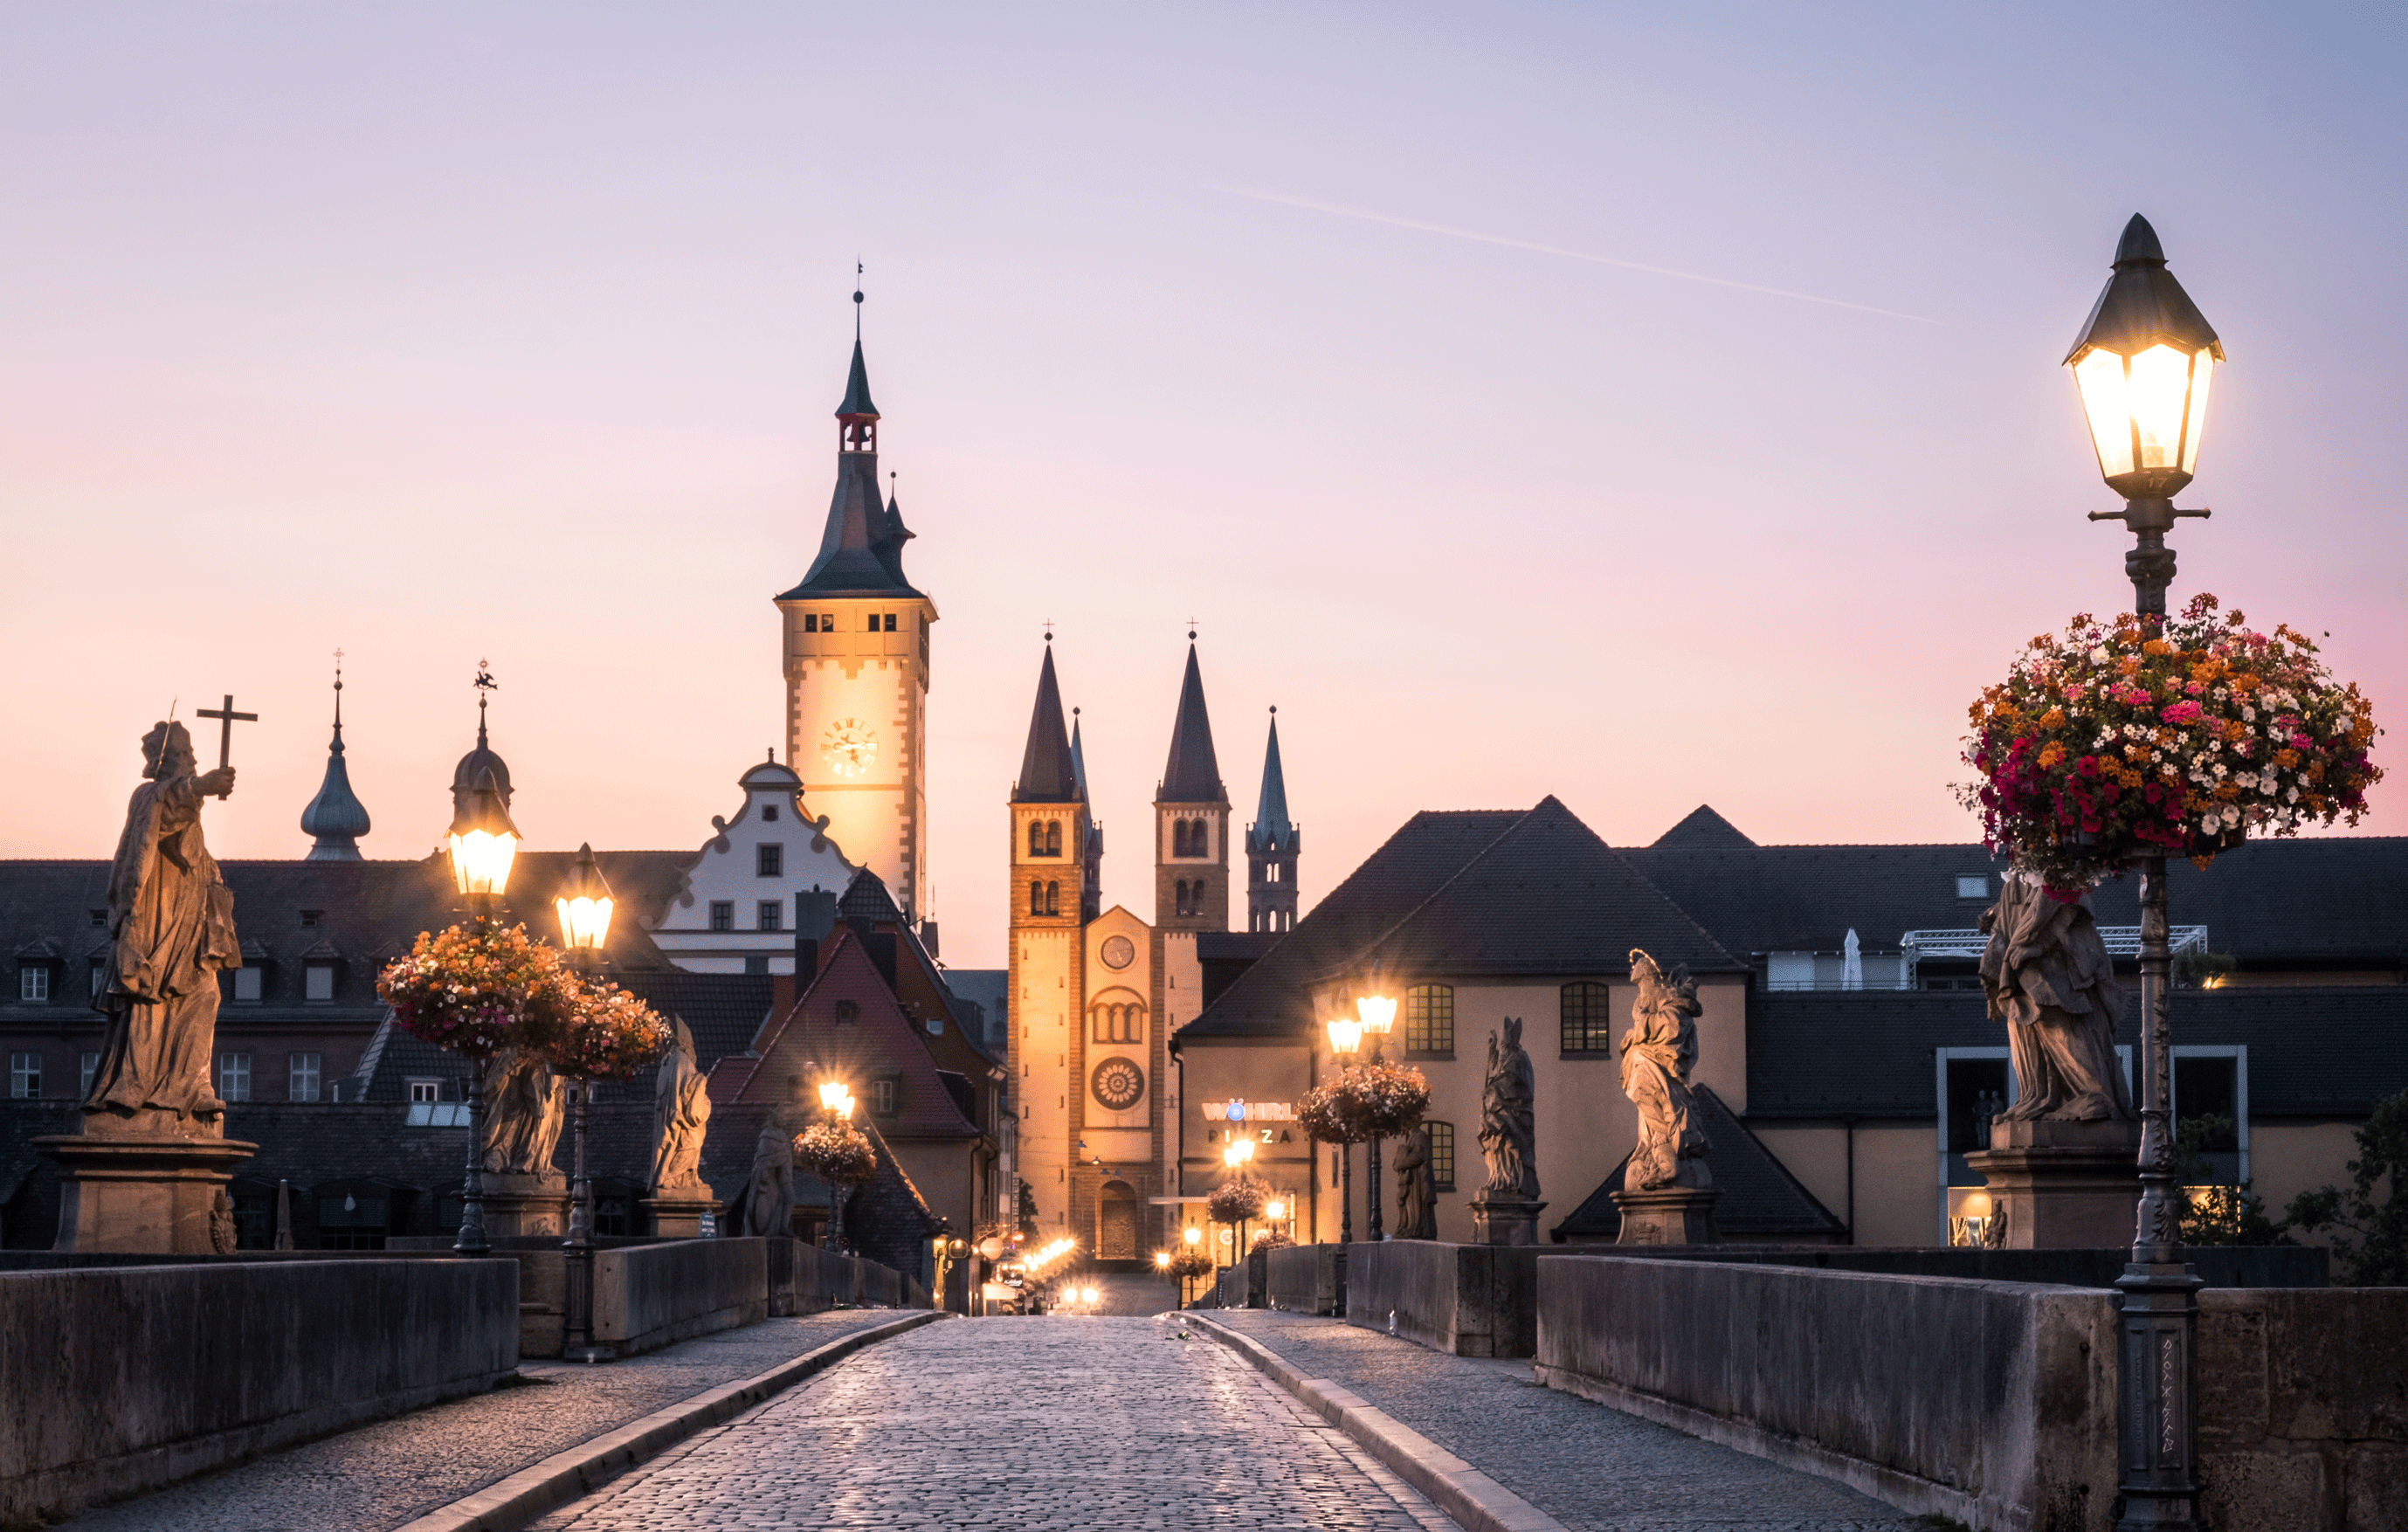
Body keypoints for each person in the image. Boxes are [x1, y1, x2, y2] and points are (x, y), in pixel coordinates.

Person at [85, 721, 239, 1130]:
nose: (193, 761)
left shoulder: (175, 799)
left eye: (192, 756)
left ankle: (191, 1087)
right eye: (186, 756)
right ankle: (133, 1088)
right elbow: (166, 808)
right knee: (149, 997)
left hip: (189, 917)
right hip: (156, 915)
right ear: (166, 762)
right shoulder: (147, 796)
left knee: (205, 995)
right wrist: (199, 787)